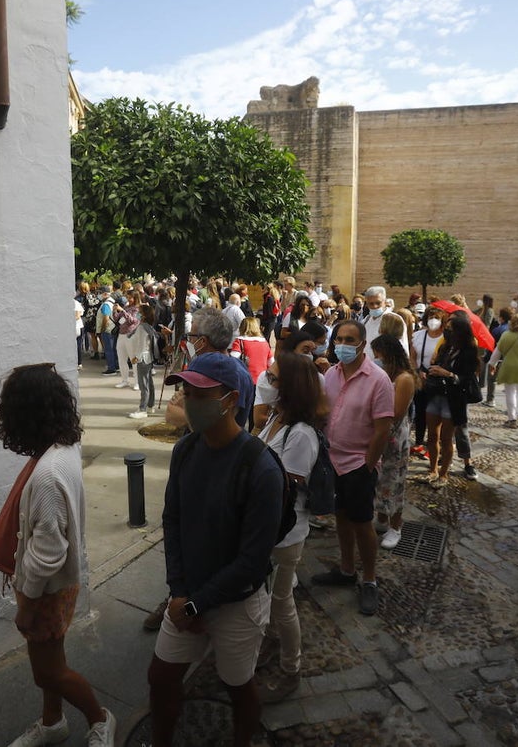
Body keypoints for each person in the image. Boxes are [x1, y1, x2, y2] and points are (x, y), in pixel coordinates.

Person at [147, 354, 283, 747]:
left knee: (237, 685)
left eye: (198, 393)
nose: (186, 400)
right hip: (187, 593)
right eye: (185, 391)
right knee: (161, 677)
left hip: (236, 603)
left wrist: (196, 604)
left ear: (230, 400)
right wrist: (180, 591)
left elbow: (252, 561)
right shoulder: (185, 451)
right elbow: (172, 521)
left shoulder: (261, 469)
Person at [0, 364, 115, 747]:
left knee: (49, 673)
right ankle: (52, 722)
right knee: (48, 663)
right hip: (46, 588)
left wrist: (26, 603)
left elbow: (47, 554)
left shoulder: (47, 475)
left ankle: (100, 719)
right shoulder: (62, 447)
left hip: (43, 591)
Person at [255, 352, 327, 702]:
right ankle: (269, 640)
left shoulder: (300, 435)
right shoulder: (276, 419)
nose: (266, 382)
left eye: (273, 378)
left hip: (286, 532)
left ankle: (291, 668)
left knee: (282, 600)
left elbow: (284, 488)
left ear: (290, 387)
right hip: (266, 526)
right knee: (270, 595)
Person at [310, 320, 394, 616]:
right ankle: (346, 570)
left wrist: (368, 466)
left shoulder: (378, 379)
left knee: (362, 523)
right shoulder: (331, 375)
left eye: (349, 339)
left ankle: (369, 579)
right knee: (341, 518)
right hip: (332, 461)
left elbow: (383, 429)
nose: (343, 345)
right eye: (339, 339)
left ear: (362, 344)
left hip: (358, 464)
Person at [421, 315, 481, 487]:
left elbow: (466, 379)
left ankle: (443, 474)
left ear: (460, 331)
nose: (447, 330)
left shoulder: (469, 351)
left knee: (447, 439)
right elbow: (438, 364)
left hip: (454, 399)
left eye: (451, 328)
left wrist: (447, 374)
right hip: (436, 394)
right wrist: (432, 371)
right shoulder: (446, 347)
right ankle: (432, 469)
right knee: (432, 436)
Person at [370, 334, 416, 550]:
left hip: (395, 437)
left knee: (393, 481)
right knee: (380, 480)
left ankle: (395, 526)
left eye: (378, 355)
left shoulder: (404, 379)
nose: (375, 358)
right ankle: (381, 518)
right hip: (381, 433)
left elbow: (396, 413)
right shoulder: (385, 374)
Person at [409, 305, 447, 459]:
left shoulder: (445, 338)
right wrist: (417, 373)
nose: (433, 321)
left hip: (438, 381)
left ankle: (434, 444)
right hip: (420, 379)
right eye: (430, 318)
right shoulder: (418, 335)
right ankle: (419, 441)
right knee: (420, 411)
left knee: (436, 415)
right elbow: (412, 356)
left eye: (437, 318)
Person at [129, 305, 161, 419]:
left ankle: (142, 409)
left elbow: (141, 344)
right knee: (149, 383)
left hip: (143, 358)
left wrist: (136, 357)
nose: (137, 313)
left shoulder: (142, 327)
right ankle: (149, 405)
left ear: (143, 315)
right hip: (148, 357)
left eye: (139, 312)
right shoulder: (148, 327)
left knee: (144, 385)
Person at [361, 285, 408, 356]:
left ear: (385, 302)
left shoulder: (393, 320)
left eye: (378, 303)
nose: (375, 306)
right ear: (367, 304)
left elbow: (402, 347)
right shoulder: (365, 321)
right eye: (371, 304)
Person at [113, 290, 145, 390]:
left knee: (133, 359)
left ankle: (137, 382)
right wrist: (115, 311)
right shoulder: (126, 307)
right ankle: (124, 380)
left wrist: (122, 311)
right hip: (121, 334)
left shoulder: (138, 309)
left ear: (135, 298)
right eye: (128, 297)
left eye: (130, 297)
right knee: (121, 358)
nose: (128, 299)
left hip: (131, 335)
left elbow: (133, 321)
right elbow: (117, 319)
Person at [484, 307, 513, 408]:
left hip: (497, 358)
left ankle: (490, 400)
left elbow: (491, 346)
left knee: (492, 380)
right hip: (509, 359)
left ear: (502, 318)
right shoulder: (513, 329)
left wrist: (487, 358)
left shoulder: (497, 330)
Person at [230, 317, 273, 385]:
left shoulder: (240, 341)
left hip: (245, 379)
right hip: (262, 380)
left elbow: (233, 358)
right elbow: (271, 362)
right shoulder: (265, 343)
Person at [97, 290, 119, 375]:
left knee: (108, 350)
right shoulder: (112, 302)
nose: (99, 295)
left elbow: (105, 318)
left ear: (105, 294)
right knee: (113, 349)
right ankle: (116, 366)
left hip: (107, 329)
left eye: (100, 293)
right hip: (113, 329)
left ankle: (111, 368)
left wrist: (102, 329)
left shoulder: (106, 304)